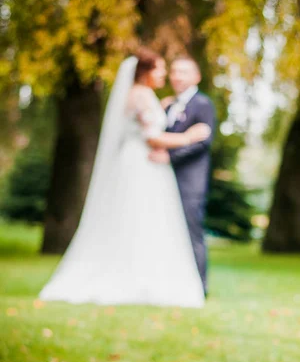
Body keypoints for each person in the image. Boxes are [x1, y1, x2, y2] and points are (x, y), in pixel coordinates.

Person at [39, 48, 210, 308]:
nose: (166, 74)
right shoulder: (141, 96)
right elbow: (151, 137)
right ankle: (137, 278)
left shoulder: (148, 96)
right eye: (162, 69)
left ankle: (145, 275)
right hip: (141, 164)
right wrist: (189, 137)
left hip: (144, 163)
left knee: (146, 219)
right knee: (139, 218)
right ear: (146, 72)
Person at [149, 57, 216, 296]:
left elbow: (204, 142)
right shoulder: (167, 105)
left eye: (184, 72)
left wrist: (171, 156)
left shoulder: (203, 104)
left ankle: (200, 286)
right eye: (175, 72)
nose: (177, 76)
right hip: (163, 179)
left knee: (191, 231)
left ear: (196, 77)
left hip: (191, 180)